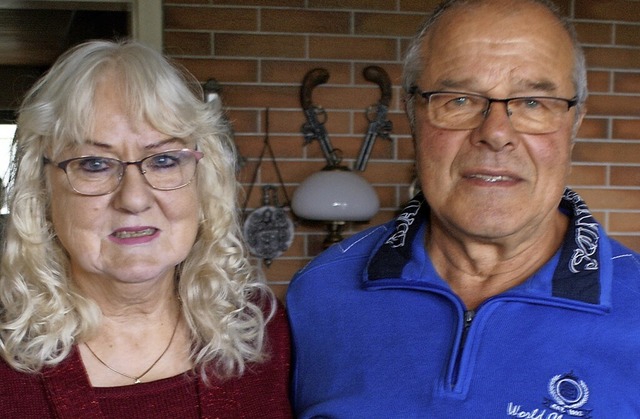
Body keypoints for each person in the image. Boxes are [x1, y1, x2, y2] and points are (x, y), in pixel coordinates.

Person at [286, 0, 640, 416]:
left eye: (532, 103)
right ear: (412, 113)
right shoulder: (318, 293)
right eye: (458, 100)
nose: (495, 134)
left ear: (574, 122)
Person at [0, 39, 292, 417]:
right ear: (42, 189)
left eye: (165, 159)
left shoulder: (262, 330)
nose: (134, 199)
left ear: (203, 182)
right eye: (94, 164)